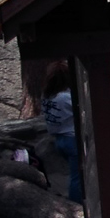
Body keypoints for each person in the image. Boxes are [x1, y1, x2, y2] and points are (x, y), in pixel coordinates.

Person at [42, 61, 81, 204]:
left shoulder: (47, 96)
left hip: (59, 139)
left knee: (74, 174)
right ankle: (76, 205)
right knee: (77, 177)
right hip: (72, 138)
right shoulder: (66, 97)